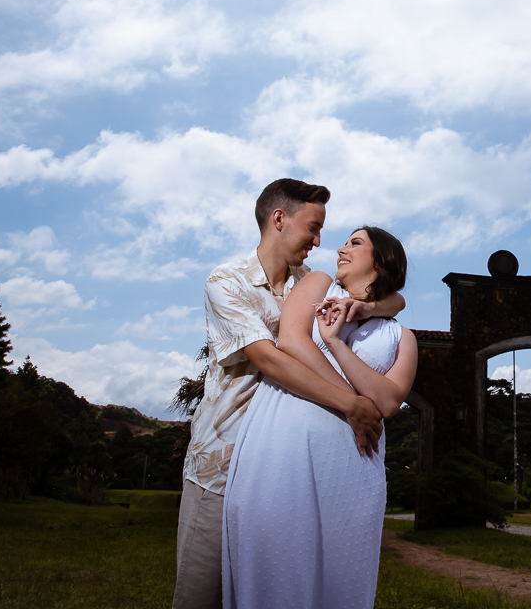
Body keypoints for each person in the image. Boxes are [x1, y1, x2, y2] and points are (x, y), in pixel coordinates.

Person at [173, 180, 405, 609]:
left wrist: (373, 308)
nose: (320, 241)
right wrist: (352, 402)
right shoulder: (226, 282)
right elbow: (272, 359)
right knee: (200, 597)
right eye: (313, 228)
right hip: (221, 465)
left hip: (283, 468)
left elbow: (391, 296)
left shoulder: (309, 281)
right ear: (279, 219)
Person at [223, 226, 418, 609]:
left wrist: (333, 342)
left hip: (354, 465)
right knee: (276, 566)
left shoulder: (401, 336)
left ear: (382, 261)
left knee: (341, 576)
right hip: (284, 445)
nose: (341, 248)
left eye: (355, 242)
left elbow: (389, 402)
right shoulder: (318, 283)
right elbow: (291, 341)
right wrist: (352, 401)